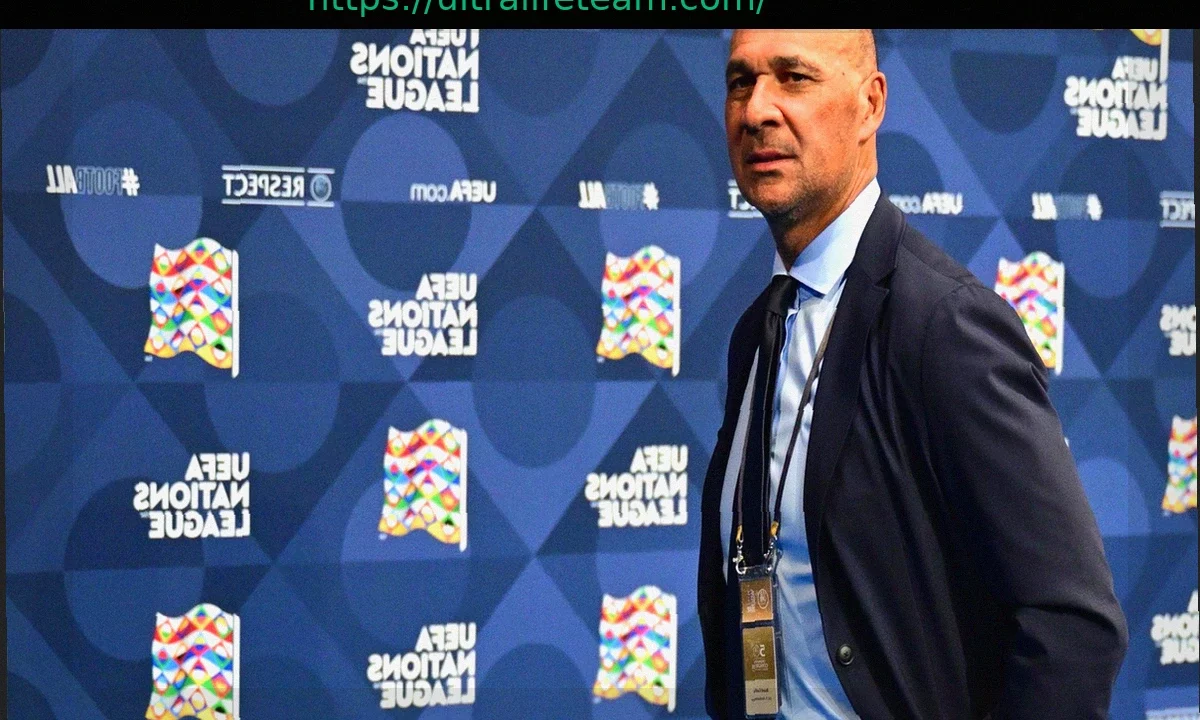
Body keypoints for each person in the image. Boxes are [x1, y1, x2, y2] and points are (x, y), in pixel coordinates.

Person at [697, 29, 1128, 719]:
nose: (756, 110)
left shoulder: (944, 325)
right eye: (740, 82)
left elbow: (1073, 625)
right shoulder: (758, 329)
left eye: (794, 77)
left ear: (870, 105)